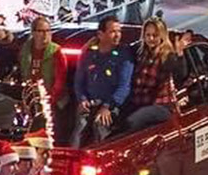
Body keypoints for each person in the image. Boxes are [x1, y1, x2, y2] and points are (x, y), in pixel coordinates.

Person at [74, 16, 133, 144]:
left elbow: (124, 87)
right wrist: (82, 99)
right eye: (113, 32)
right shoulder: (89, 54)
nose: (117, 35)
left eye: (119, 31)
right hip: (90, 103)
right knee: (79, 127)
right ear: (100, 34)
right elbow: (79, 81)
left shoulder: (124, 56)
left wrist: (107, 106)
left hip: (112, 105)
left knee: (100, 124)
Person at [122, 18, 181, 135]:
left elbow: (180, 74)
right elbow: (121, 51)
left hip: (161, 105)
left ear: (162, 36)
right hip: (137, 102)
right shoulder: (139, 52)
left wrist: (180, 55)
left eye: (155, 35)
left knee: (132, 122)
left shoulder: (168, 56)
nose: (151, 39)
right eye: (148, 35)